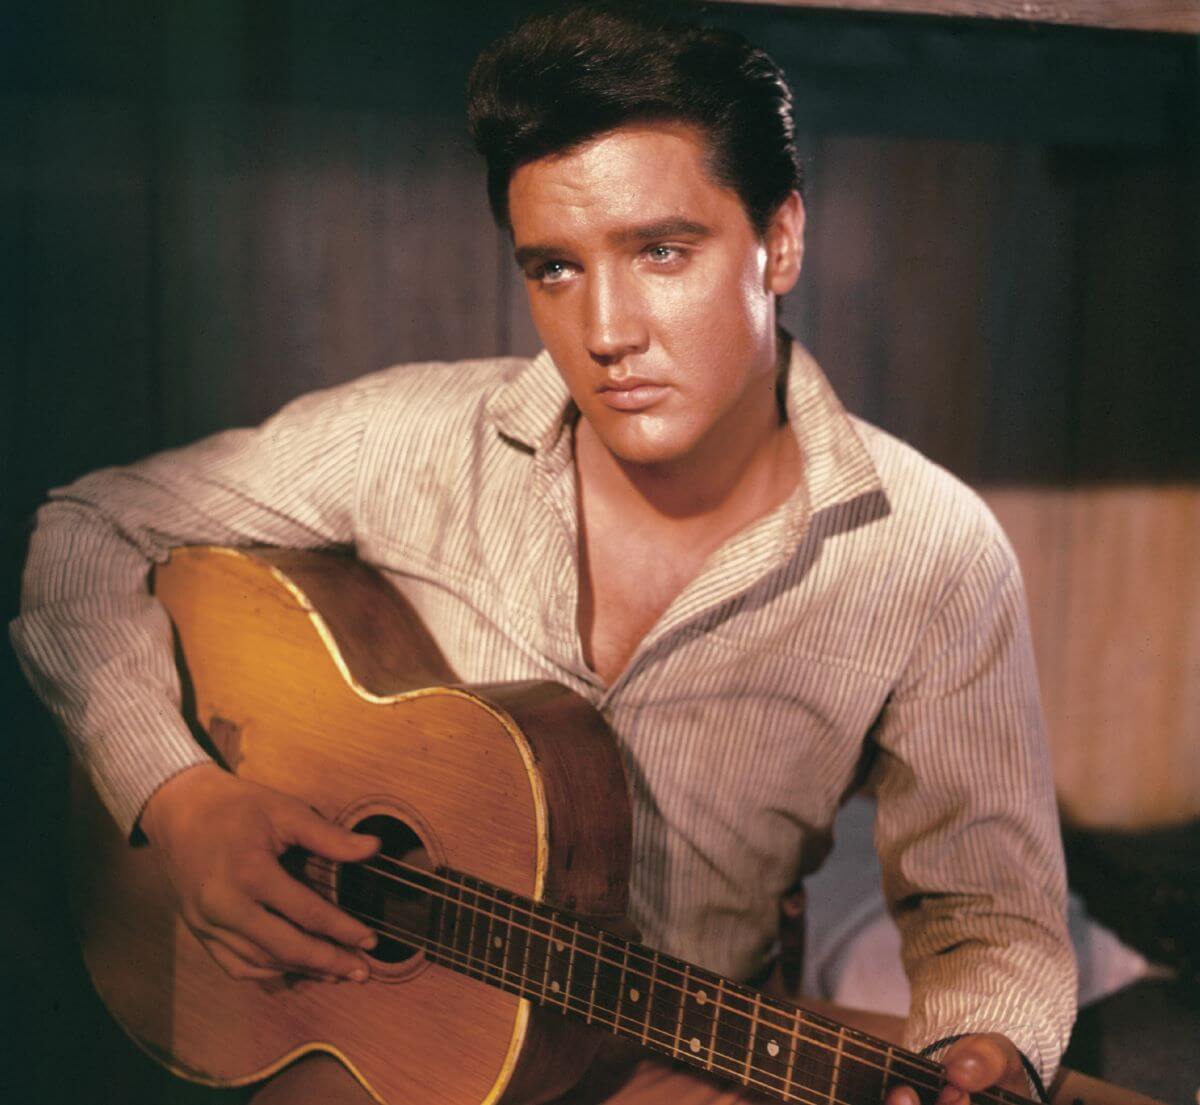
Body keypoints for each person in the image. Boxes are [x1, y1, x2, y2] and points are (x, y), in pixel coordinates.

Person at [10, 3, 1075, 1104]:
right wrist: (180, 799)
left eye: (663, 251)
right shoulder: (412, 438)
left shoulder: (935, 551)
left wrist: (991, 1040)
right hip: (348, 1043)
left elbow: (993, 916)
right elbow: (87, 526)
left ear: (782, 240)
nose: (606, 330)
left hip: (677, 1055)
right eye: (556, 268)